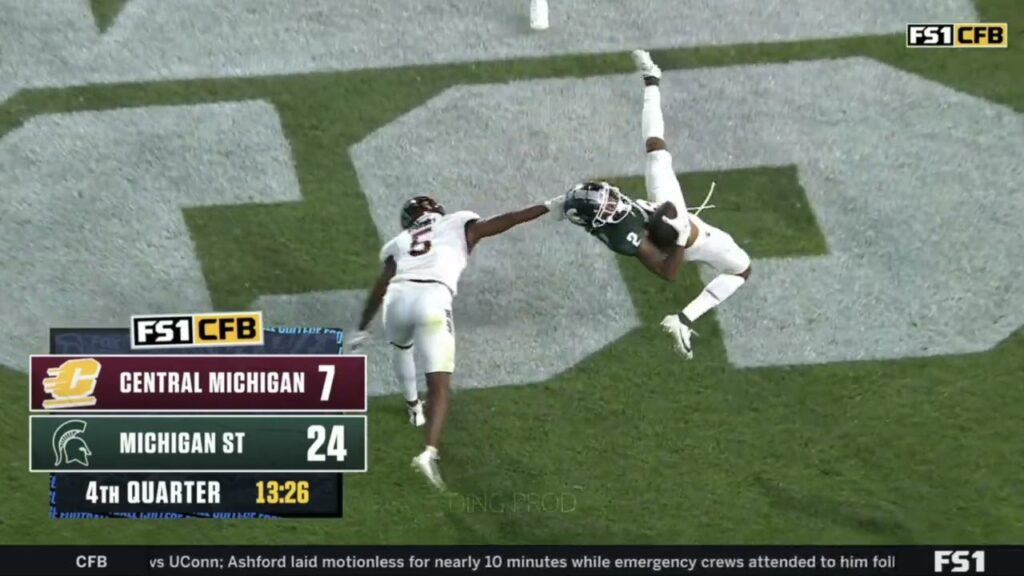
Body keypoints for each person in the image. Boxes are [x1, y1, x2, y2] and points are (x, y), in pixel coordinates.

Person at [350, 195, 560, 489]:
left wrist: (362, 328)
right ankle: (428, 453)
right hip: (433, 300)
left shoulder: (400, 241)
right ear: (437, 212)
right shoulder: (457, 222)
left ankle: (413, 408)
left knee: (401, 348)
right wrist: (547, 206)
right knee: (439, 386)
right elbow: (508, 220)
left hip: (396, 299)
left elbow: (380, 286)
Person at [558, 50, 752, 359]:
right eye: (606, 207)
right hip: (684, 238)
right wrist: (679, 237)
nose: (613, 202)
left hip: (660, 207)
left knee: (655, 149)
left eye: (608, 198)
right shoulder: (625, 238)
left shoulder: (603, 216)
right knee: (742, 269)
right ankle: (683, 321)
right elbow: (667, 272)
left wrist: (560, 202)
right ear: (599, 222)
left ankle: (651, 79)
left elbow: (589, 203)